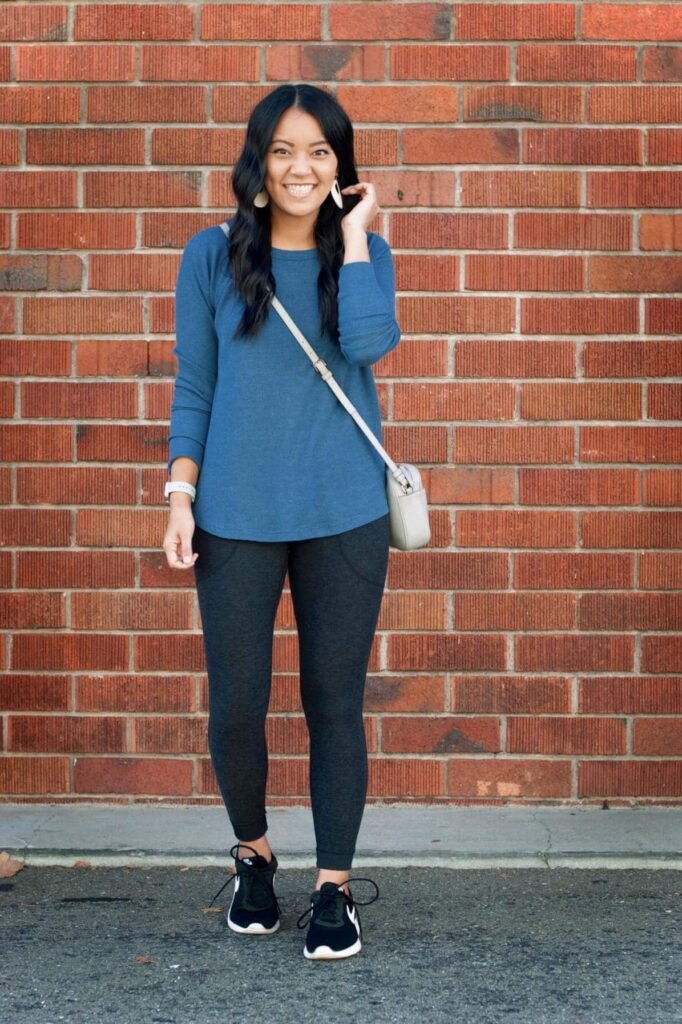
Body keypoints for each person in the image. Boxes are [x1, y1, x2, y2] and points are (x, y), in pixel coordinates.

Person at [163, 83, 400, 960]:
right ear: (258, 163)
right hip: (235, 512)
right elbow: (196, 383)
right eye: (284, 151)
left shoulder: (364, 254)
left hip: (344, 511)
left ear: (341, 165)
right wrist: (179, 495)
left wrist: (355, 236)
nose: (302, 168)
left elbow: (369, 345)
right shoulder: (211, 255)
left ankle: (334, 889)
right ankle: (254, 856)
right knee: (237, 705)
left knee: (334, 701)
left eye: (321, 152)